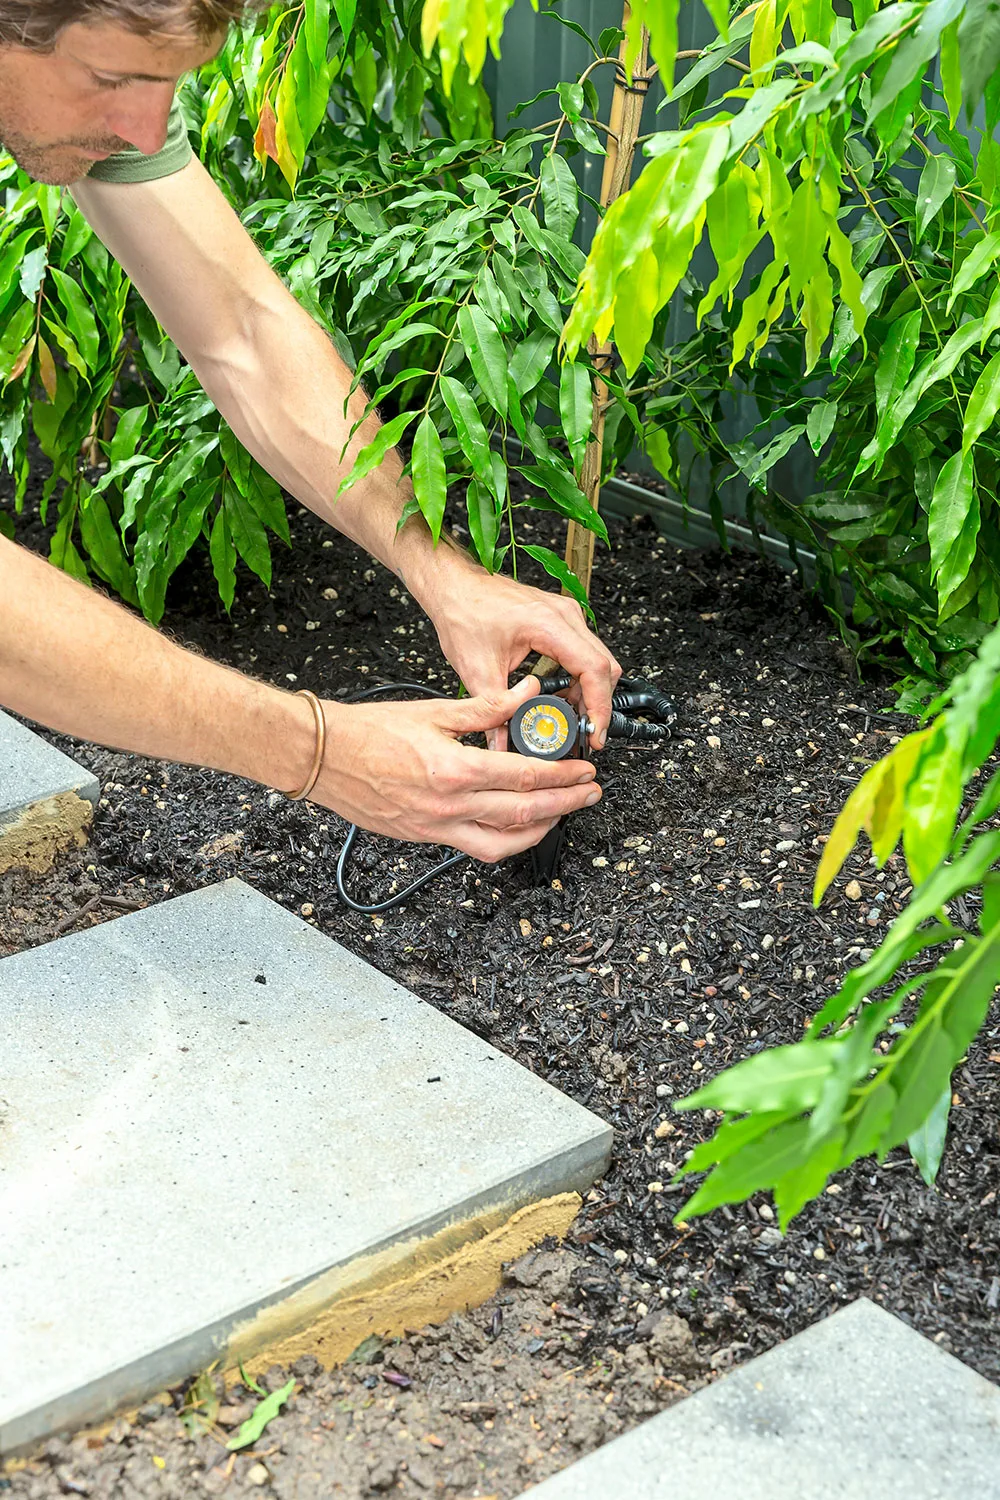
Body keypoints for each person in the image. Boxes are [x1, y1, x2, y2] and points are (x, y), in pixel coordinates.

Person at [0, 0, 621, 864]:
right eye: (110, 81)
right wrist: (318, 751)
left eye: (167, 85)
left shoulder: (90, 76)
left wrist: (446, 577)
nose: (145, 130)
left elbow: (243, 332)